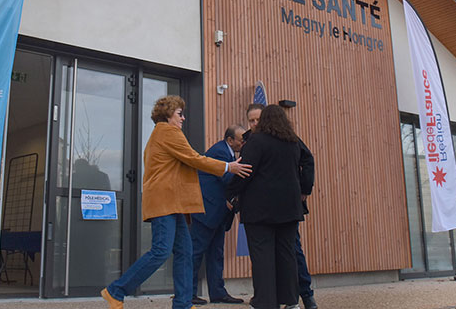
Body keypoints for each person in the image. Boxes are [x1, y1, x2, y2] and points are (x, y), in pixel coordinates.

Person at [101, 96, 252, 309]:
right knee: (161, 250)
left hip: (173, 202)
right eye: (180, 114)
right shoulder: (168, 132)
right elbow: (194, 158)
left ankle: (182, 303)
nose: (183, 118)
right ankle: (116, 291)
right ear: (168, 114)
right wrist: (228, 167)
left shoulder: (159, 134)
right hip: (165, 201)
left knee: (184, 251)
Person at [227, 104, 312, 309]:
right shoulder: (292, 142)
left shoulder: (256, 141)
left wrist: (230, 193)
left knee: (262, 256)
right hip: (290, 209)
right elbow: (308, 161)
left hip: (260, 210)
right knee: (287, 255)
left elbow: (245, 171)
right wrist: (304, 189)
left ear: (264, 120)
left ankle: (265, 302)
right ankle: (291, 301)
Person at [191, 125, 247, 306]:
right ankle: (188, 293)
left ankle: (218, 293)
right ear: (230, 140)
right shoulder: (220, 153)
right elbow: (229, 179)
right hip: (207, 212)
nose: (243, 142)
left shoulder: (228, 152)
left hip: (217, 213)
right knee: (196, 252)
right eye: (240, 139)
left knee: (216, 253)